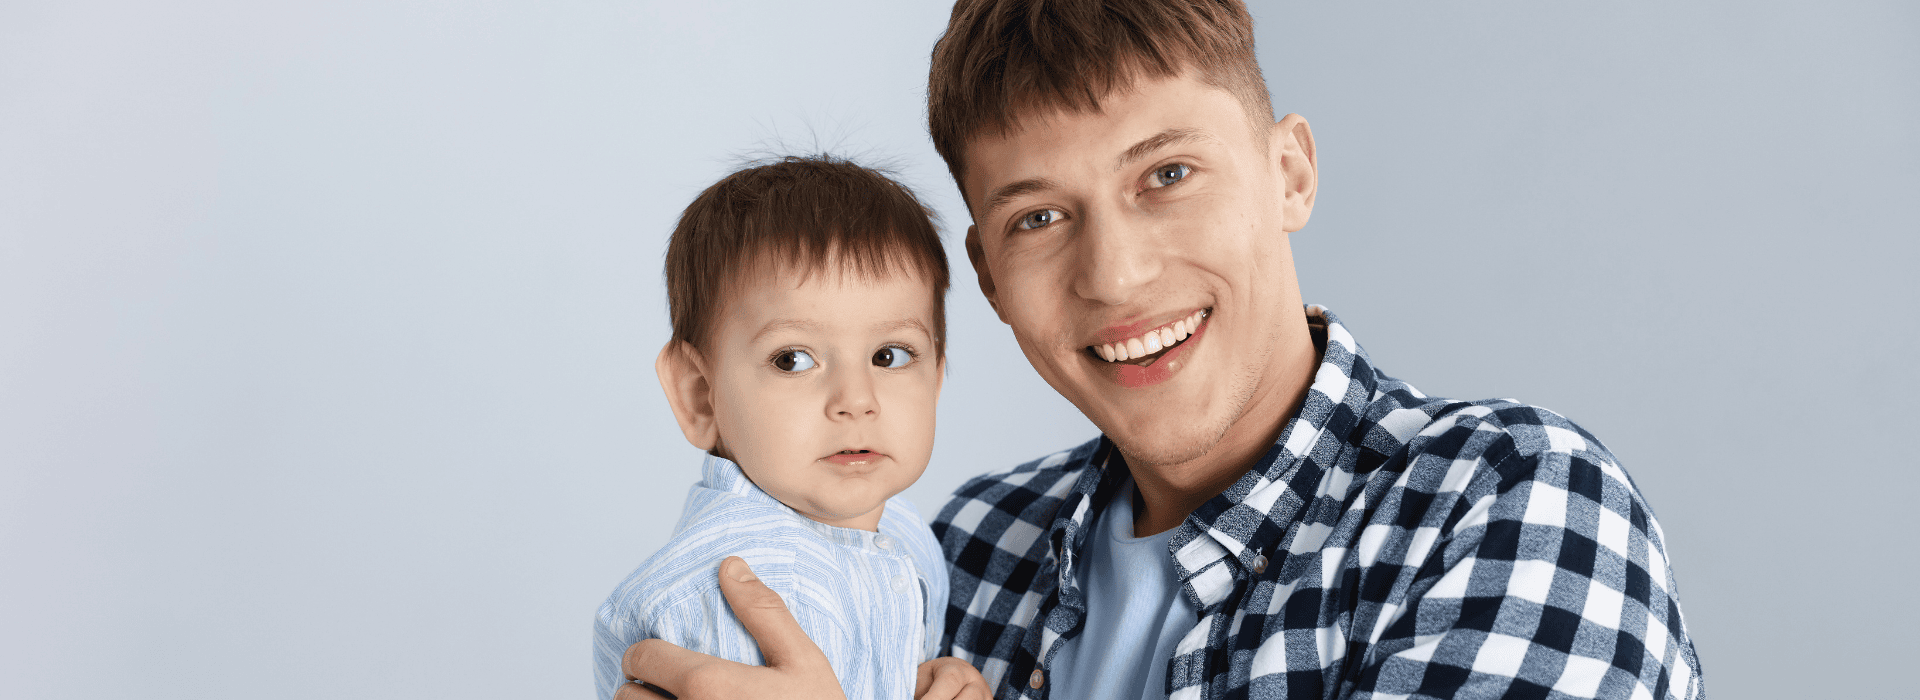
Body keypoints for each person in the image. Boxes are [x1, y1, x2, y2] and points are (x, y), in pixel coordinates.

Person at [617, 1, 1704, 698]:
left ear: (1290, 173)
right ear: (986, 278)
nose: (1117, 275)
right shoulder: (962, 553)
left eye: (1167, 175)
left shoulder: (1506, 503)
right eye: (1039, 218)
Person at [593, 156, 990, 700]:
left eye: (890, 355)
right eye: (793, 360)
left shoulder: (904, 536)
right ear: (700, 395)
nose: (856, 400)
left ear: (937, 378)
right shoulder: (745, 594)